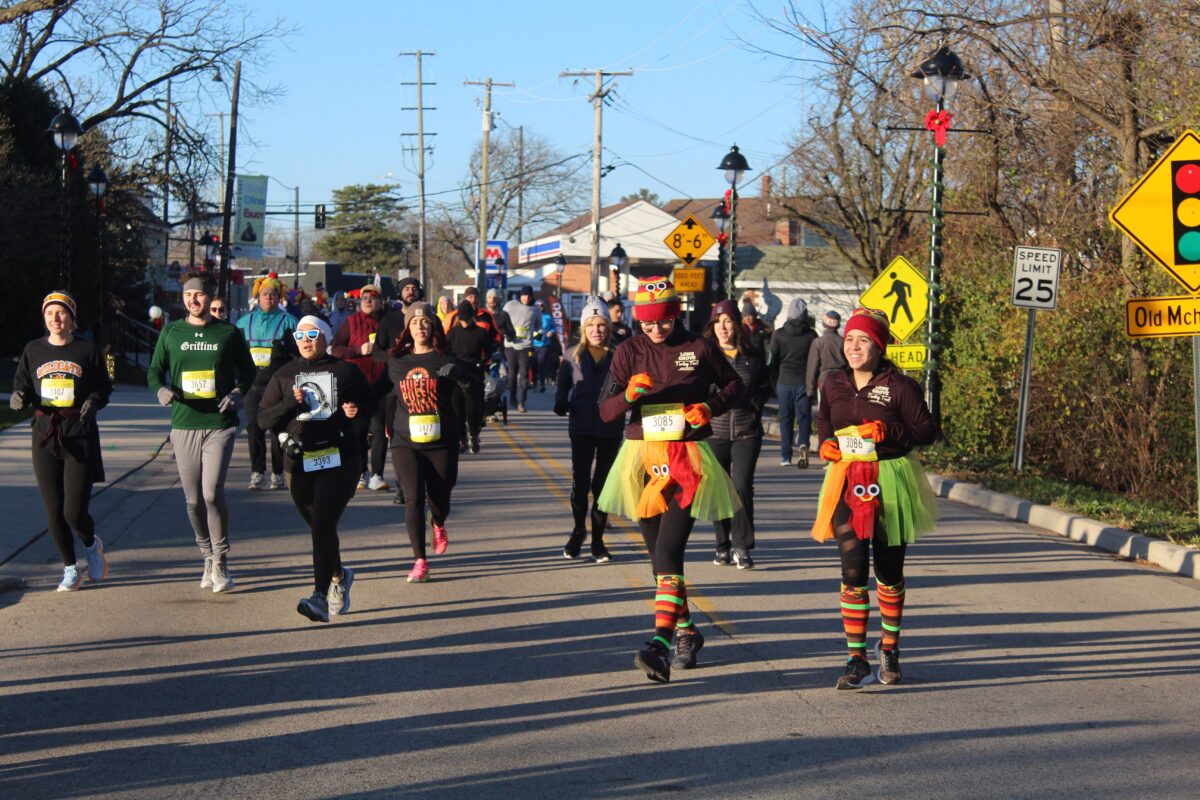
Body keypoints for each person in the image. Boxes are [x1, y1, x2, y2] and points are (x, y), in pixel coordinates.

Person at [597, 276, 744, 683]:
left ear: (675, 315)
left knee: (669, 550)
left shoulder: (697, 347)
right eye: (647, 323)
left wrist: (709, 407)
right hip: (641, 458)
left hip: (686, 457)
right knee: (658, 561)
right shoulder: (628, 351)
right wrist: (628, 396)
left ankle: (660, 643)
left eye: (662, 322)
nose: (655, 330)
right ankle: (687, 632)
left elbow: (736, 385)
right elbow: (605, 411)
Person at [811, 307, 938, 689]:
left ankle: (890, 648)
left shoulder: (900, 386)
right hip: (847, 479)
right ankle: (855, 658)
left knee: (888, 570)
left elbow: (927, 430)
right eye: (849, 339)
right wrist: (826, 446)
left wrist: (890, 430)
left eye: (862, 340)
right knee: (852, 569)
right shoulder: (832, 382)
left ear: (879, 346)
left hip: (890, 479)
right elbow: (824, 422)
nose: (853, 347)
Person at [258, 315, 377, 623]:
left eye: (312, 334)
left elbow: (373, 404)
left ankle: (319, 597)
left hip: (340, 458)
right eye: (300, 335)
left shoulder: (346, 371)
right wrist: (288, 404)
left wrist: (357, 410)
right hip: (298, 461)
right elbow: (261, 420)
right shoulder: (284, 375)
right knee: (318, 527)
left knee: (323, 524)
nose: (306, 340)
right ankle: (339, 575)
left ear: (325, 337)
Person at [148, 271, 256, 593]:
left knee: (212, 493)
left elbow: (247, 371)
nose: (193, 300)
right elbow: (155, 371)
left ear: (210, 298)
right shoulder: (171, 332)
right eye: (188, 296)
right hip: (184, 424)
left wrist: (238, 393)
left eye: (199, 295)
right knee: (193, 501)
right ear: (183, 299)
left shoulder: (228, 333)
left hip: (219, 424)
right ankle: (206, 554)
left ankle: (221, 560)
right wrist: (160, 391)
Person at [12, 291, 113, 592]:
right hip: (44, 435)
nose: (55, 319)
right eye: (49, 313)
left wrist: (94, 401)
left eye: (61, 313)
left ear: (71, 317)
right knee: (53, 509)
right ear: (43, 318)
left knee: (73, 511)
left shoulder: (88, 350)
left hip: (78, 434)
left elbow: (104, 388)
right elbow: (23, 386)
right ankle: (70, 568)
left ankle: (90, 544)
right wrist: (20, 397)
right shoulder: (33, 349)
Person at [386, 302, 473, 583]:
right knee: (413, 499)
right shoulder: (396, 361)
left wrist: (460, 377)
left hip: (441, 440)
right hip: (405, 440)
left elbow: (472, 390)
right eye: (414, 322)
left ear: (433, 326)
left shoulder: (445, 358)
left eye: (425, 322)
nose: (420, 327)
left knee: (441, 495)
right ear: (407, 329)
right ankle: (419, 561)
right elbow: (386, 395)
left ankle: (438, 522)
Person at [703, 300, 771, 570]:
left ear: (737, 324)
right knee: (719, 487)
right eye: (718, 322)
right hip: (715, 431)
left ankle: (742, 546)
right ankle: (722, 545)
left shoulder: (753, 355)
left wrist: (755, 403)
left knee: (742, 486)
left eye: (728, 321)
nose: (723, 327)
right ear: (712, 326)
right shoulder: (706, 355)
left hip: (746, 430)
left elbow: (766, 385)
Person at [554, 298, 623, 562]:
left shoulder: (619, 355)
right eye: (591, 325)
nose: (597, 330)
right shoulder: (572, 355)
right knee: (580, 483)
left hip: (610, 427)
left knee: (602, 486)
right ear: (584, 328)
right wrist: (561, 401)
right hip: (581, 426)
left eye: (601, 325)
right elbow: (562, 385)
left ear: (608, 327)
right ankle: (578, 531)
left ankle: (598, 541)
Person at [237, 275, 297, 491]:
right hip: (252, 384)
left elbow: (298, 353)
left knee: (276, 429)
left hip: (277, 384)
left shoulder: (289, 321)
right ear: (258, 297)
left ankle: (278, 473)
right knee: (253, 428)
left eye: (273, 294)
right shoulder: (244, 322)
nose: (268, 298)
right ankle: (257, 473)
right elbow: (234, 354)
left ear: (279, 297)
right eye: (264, 294)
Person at [329, 284, 390, 491]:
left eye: (372, 296)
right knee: (358, 432)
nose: (367, 300)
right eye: (364, 296)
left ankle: (377, 474)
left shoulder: (387, 322)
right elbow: (336, 349)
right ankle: (361, 472)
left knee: (380, 432)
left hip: (383, 385)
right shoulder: (351, 322)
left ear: (380, 301)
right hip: (357, 386)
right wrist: (357, 349)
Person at [768, 298, 817, 468]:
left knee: (785, 419)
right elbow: (815, 361)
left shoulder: (779, 334)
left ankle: (785, 456)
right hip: (804, 381)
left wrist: (773, 382)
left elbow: (772, 361)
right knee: (804, 418)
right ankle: (803, 443)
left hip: (784, 381)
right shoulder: (812, 335)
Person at [447, 299, 496, 454]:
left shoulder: (480, 333)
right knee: (458, 412)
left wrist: (482, 362)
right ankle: (462, 440)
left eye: (467, 318)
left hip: (474, 376)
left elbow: (488, 352)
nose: (465, 321)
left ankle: (473, 435)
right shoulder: (453, 333)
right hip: (456, 377)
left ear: (472, 317)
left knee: (472, 411)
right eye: (462, 318)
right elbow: (446, 351)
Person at [503, 285, 540, 412]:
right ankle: (512, 397)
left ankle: (521, 403)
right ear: (520, 295)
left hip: (527, 346)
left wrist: (537, 340)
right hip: (511, 346)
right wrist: (506, 333)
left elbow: (538, 327)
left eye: (529, 296)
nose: (526, 298)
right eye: (524, 295)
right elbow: (502, 321)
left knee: (524, 375)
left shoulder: (535, 309)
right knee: (512, 375)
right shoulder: (510, 305)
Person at [807, 310, 848, 410]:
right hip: (842, 382)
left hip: (824, 382)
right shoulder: (843, 342)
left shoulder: (818, 342)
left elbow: (812, 368)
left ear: (824, 323)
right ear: (837, 325)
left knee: (824, 413)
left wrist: (810, 391)